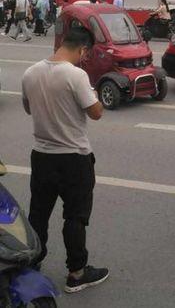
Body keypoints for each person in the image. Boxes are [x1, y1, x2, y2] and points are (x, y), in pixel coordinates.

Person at [22, 27, 109, 294]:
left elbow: (28, 109)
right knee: (75, 217)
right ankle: (77, 273)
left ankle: (31, 265)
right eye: (86, 54)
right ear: (83, 50)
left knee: (38, 214)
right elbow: (96, 113)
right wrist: (94, 92)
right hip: (74, 159)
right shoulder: (76, 75)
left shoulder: (30, 72)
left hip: (41, 156)